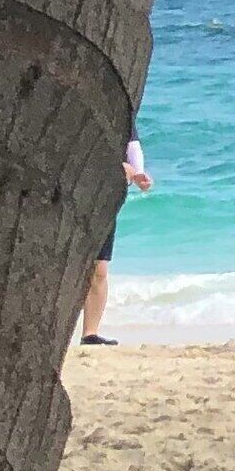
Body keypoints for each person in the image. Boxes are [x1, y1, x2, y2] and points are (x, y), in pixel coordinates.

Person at [81, 127, 153, 345]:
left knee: (99, 269)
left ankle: (89, 333)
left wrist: (137, 173)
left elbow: (133, 146)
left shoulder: (121, 119)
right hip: (77, 194)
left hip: (104, 201)